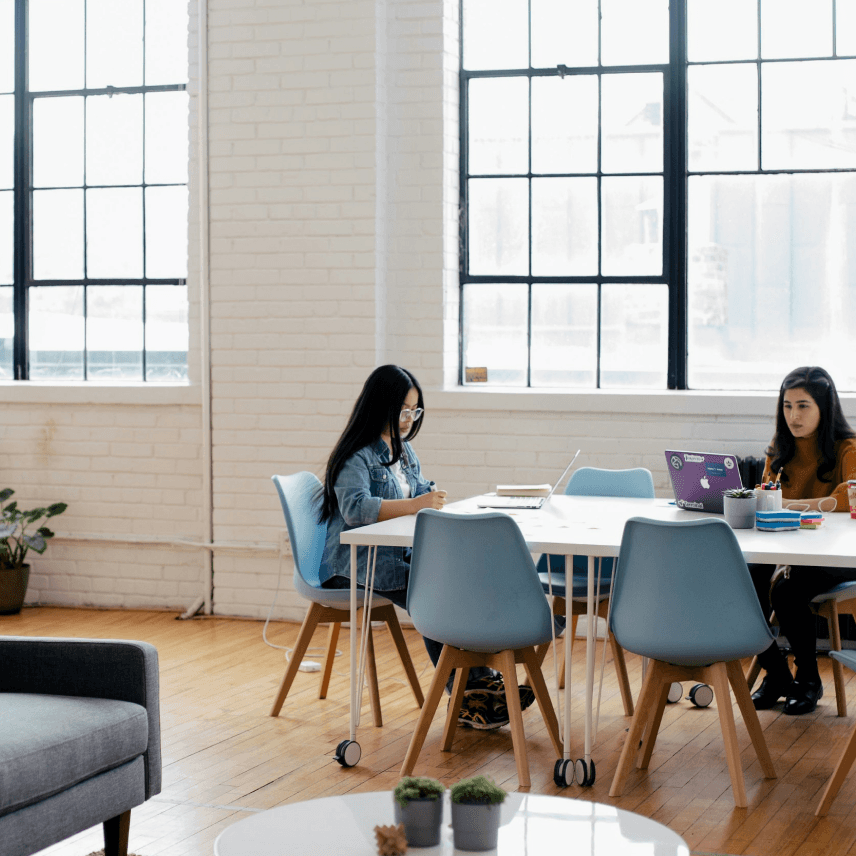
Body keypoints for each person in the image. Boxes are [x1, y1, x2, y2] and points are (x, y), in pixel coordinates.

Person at [318, 364, 534, 730]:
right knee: (435, 592)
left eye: (414, 411)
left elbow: (417, 490)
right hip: (354, 566)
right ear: (380, 404)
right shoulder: (356, 455)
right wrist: (417, 504)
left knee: (455, 578)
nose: (408, 419)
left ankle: (478, 686)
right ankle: (469, 693)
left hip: (395, 557)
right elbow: (355, 510)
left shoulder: (404, 452)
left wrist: (428, 497)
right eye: (403, 410)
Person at [749, 366, 856, 715]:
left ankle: (808, 678)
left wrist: (790, 505)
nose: (793, 416)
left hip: (835, 555)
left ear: (824, 407)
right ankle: (777, 672)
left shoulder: (846, 449)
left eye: (803, 406)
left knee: (784, 591)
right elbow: (767, 496)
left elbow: (850, 497)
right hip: (786, 547)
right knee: (742, 584)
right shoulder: (779, 449)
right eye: (787, 405)